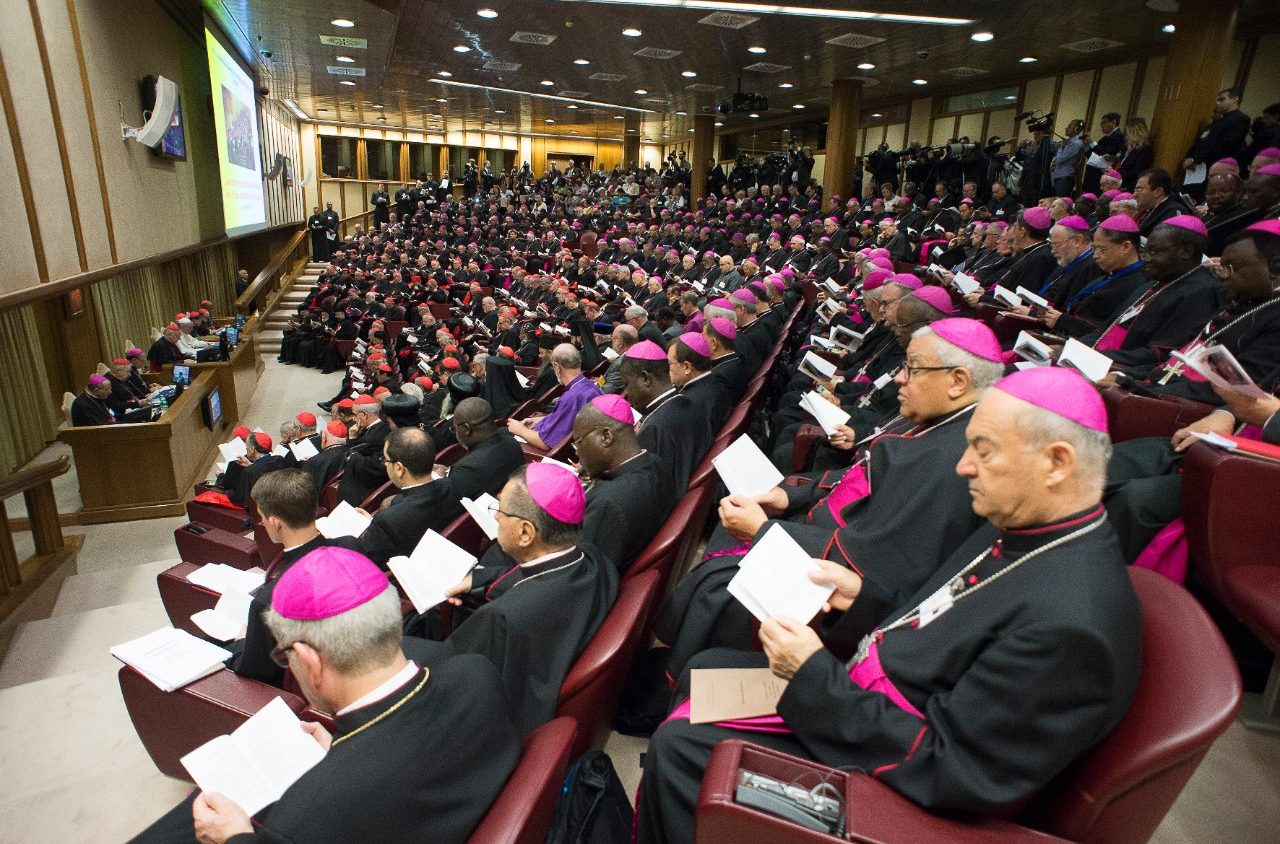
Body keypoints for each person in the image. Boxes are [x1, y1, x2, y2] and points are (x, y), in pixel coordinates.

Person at [636, 367, 1142, 843]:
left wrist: (813, 676)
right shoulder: (1020, 525)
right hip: (875, 700)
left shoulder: (1074, 622)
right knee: (703, 673)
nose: (963, 467)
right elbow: (935, 615)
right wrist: (860, 599)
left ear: (1057, 462)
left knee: (682, 750)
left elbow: (956, 771)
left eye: (983, 451)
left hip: (900, 774)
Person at [656, 319, 1002, 676]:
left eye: (912, 368)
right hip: (826, 528)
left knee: (721, 584)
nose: (900, 377)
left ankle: (680, 674)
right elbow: (860, 471)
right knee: (737, 522)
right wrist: (790, 497)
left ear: (958, 381)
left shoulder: (952, 461)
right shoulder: (933, 416)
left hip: (839, 582)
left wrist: (765, 532)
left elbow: (876, 559)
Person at [133, 546, 520, 844]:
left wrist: (234, 837)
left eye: (284, 655)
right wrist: (340, 746)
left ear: (309, 660)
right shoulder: (477, 673)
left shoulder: (306, 817)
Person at [415, 463, 619, 735]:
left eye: (500, 510)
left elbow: (453, 673)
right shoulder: (593, 557)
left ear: (525, 532)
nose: (497, 517)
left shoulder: (502, 618)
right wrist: (479, 579)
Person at [228, 469, 364, 685]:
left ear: (274, 522)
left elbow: (255, 672)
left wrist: (240, 643)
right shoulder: (352, 546)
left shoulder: (266, 603)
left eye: (262, 518)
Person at [572, 396, 676, 571]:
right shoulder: (657, 462)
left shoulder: (608, 504)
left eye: (578, 443)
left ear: (606, 437)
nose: (577, 454)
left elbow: (584, 572)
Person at [621, 337, 714, 497]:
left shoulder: (653, 428)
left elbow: (647, 492)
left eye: (627, 384)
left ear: (645, 378)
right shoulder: (689, 401)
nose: (627, 394)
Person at [357, 427, 457, 568]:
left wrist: (374, 528)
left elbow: (364, 563)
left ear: (399, 468)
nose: (385, 464)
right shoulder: (450, 486)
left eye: (385, 460)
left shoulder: (387, 521)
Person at [507, 343, 601, 451]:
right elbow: (569, 419)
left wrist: (519, 430)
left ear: (557, 367)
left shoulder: (572, 397)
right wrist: (541, 420)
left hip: (558, 452)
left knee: (505, 433)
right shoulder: (590, 386)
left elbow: (546, 443)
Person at [440, 397, 525, 502]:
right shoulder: (512, 441)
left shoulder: (465, 470)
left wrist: (445, 482)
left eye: (455, 428)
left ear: (466, 429)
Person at [1183, 88, 1251, 201]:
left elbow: (1225, 145)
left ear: (1235, 100)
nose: (1218, 103)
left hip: (1219, 167)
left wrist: (1195, 159)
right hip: (1202, 167)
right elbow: (1202, 142)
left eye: (1222, 99)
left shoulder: (1241, 119)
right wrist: (1190, 157)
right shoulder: (1219, 121)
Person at [229, 431, 287, 506]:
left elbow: (239, 499)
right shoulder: (279, 459)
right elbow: (263, 468)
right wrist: (251, 465)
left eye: (247, 447)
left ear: (252, 449)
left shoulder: (249, 472)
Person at [1135, 168, 1194, 237]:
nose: (1134, 194)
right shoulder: (1150, 208)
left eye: (1139, 189)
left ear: (1157, 192)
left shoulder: (1174, 213)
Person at [303, 420, 350, 490]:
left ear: (324, 437)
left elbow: (305, 489)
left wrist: (313, 461)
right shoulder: (354, 454)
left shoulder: (314, 462)